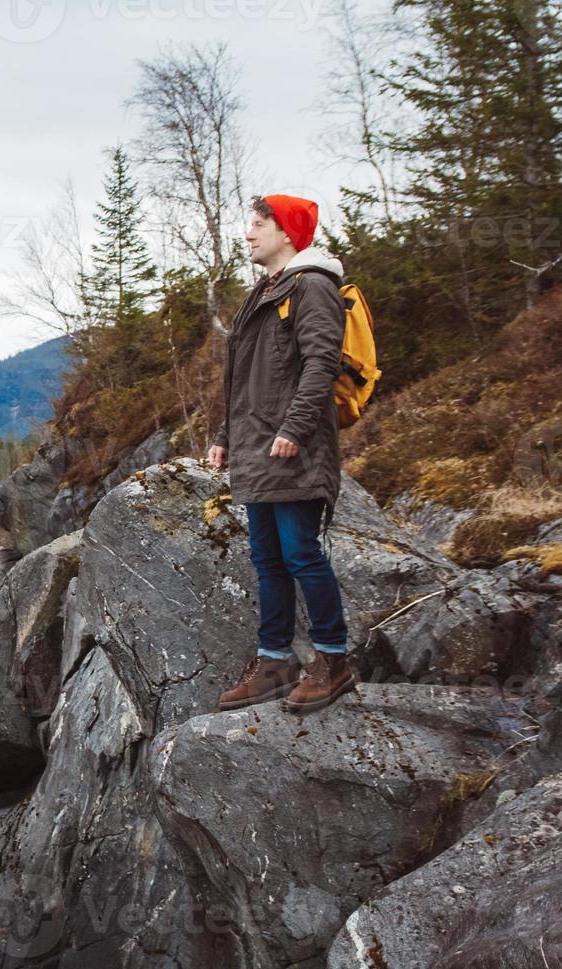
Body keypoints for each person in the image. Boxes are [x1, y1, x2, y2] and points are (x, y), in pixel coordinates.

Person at [205, 193, 355, 714]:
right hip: (256, 449)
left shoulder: (312, 287)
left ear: (288, 232)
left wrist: (295, 426)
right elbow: (242, 380)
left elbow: (321, 364)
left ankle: (333, 660)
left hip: (295, 448)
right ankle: (275, 663)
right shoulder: (263, 293)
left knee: (300, 554)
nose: (248, 233)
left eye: (258, 224)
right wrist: (225, 436)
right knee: (267, 558)